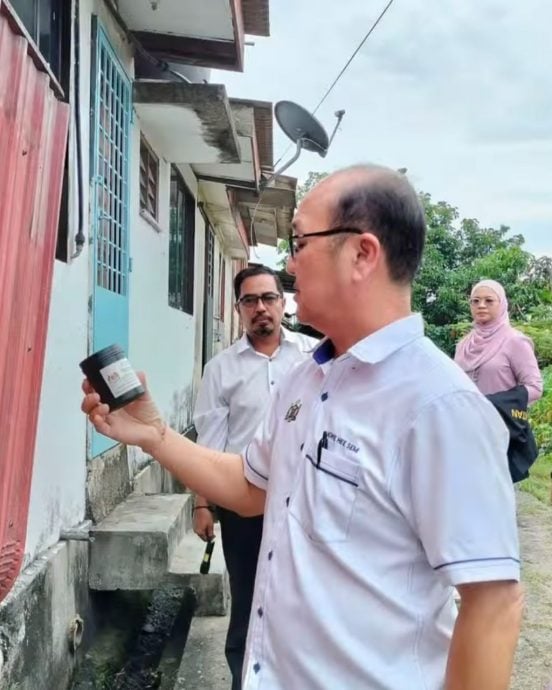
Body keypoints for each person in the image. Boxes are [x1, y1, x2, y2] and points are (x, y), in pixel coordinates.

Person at [82, 164, 523, 690]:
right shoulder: (307, 379)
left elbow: (492, 602)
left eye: (299, 242)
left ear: (362, 254)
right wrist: (153, 434)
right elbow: (250, 487)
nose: (289, 266)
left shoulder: (440, 405)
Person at [192, 264, 316, 690]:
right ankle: (244, 680)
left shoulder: (314, 357)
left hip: (306, 502)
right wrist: (203, 503)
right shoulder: (221, 369)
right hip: (242, 501)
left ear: (283, 304)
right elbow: (209, 447)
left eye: (269, 298)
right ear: (239, 308)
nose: (261, 308)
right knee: (248, 598)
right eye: (250, 300)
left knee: (303, 598)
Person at [454, 279, 543, 403]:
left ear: (502, 304)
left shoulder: (515, 341)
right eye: (475, 301)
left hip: (501, 419)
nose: (481, 305)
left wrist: (497, 402)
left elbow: (535, 388)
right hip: (466, 419)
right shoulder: (463, 345)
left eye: (489, 300)